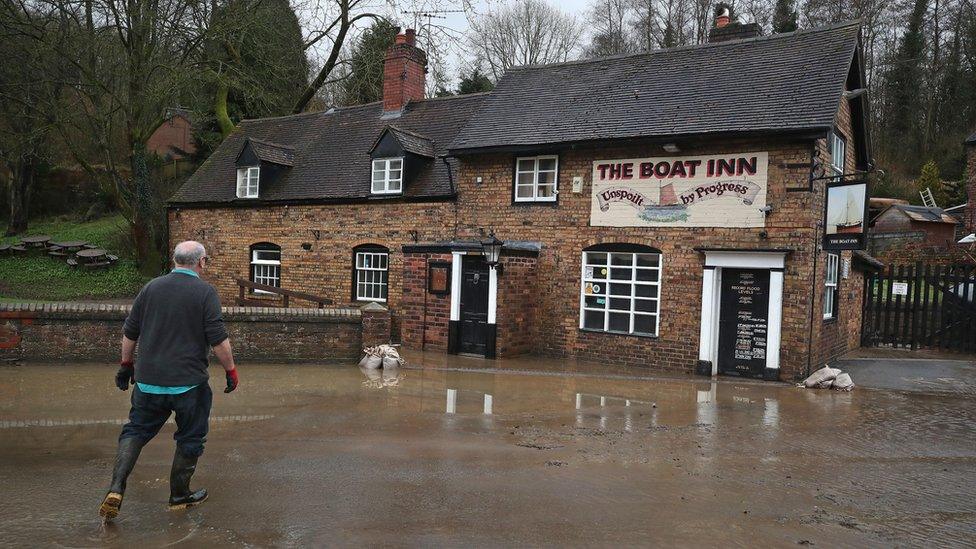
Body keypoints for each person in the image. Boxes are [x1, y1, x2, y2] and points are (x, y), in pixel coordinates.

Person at [98, 241, 239, 521]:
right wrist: (231, 370)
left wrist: (126, 366)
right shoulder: (205, 292)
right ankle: (179, 494)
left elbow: (130, 332)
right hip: (189, 384)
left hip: (148, 382)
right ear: (201, 263)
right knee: (190, 436)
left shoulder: (151, 288)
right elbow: (218, 339)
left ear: (174, 260)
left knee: (135, 431)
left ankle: (116, 487)